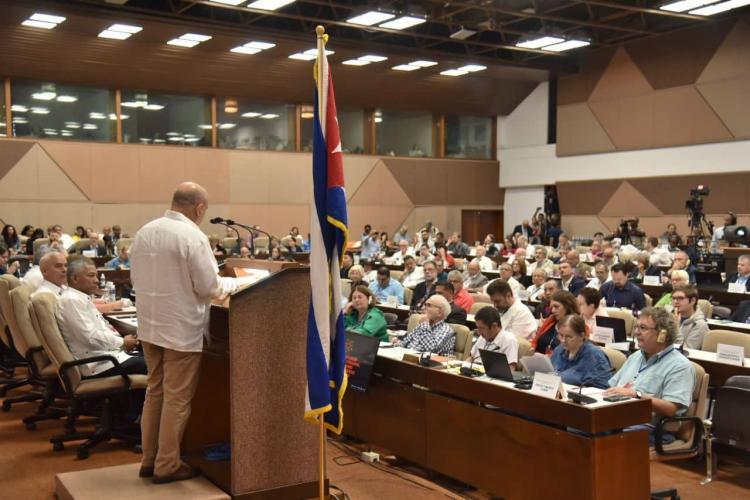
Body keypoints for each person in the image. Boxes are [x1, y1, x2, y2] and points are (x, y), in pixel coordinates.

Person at [130, 182, 239, 483]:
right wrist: (237, 283)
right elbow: (210, 287)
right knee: (177, 399)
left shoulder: (144, 232)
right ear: (199, 208)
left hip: (150, 326)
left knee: (155, 392)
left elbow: (134, 279)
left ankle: (149, 460)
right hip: (179, 329)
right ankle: (167, 465)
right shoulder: (193, 236)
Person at [604, 307, 695, 443]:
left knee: (602, 434)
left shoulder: (680, 366)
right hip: (620, 419)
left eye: (643, 328)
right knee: (579, 426)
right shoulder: (635, 356)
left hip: (653, 429)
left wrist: (636, 395)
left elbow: (670, 409)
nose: (636, 332)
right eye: (636, 327)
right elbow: (612, 387)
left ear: (662, 334)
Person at [56, 257, 144, 377]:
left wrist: (123, 342)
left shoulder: (80, 298)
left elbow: (100, 330)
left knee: (151, 356)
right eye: (91, 276)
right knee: (155, 365)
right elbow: (91, 338)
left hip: (107, 356)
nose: (96, 280)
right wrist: (122, 342)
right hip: (98, 363)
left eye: (96, 276)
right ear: (75, 278)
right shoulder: (71, 300)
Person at [551, 315, 612, 389]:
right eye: (561, 335)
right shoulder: (559, 349)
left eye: (569, 337)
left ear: (581, 336)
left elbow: (603, 388)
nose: (563, 340)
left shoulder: (595, 356)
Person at [531, 290, 579, 355]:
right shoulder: (550, 320)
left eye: (556, 307)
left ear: (567, 306)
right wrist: (532, 349)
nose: (553, 310)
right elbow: (535, 340)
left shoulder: (578, 326)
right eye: (552, 307)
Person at [672, 285, 708, 349]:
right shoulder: (669, 317)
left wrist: (676, 328)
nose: (675, 302)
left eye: (680, 298)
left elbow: (687, 351)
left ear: (692, 301)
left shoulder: (700, 325)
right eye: (674, 298)